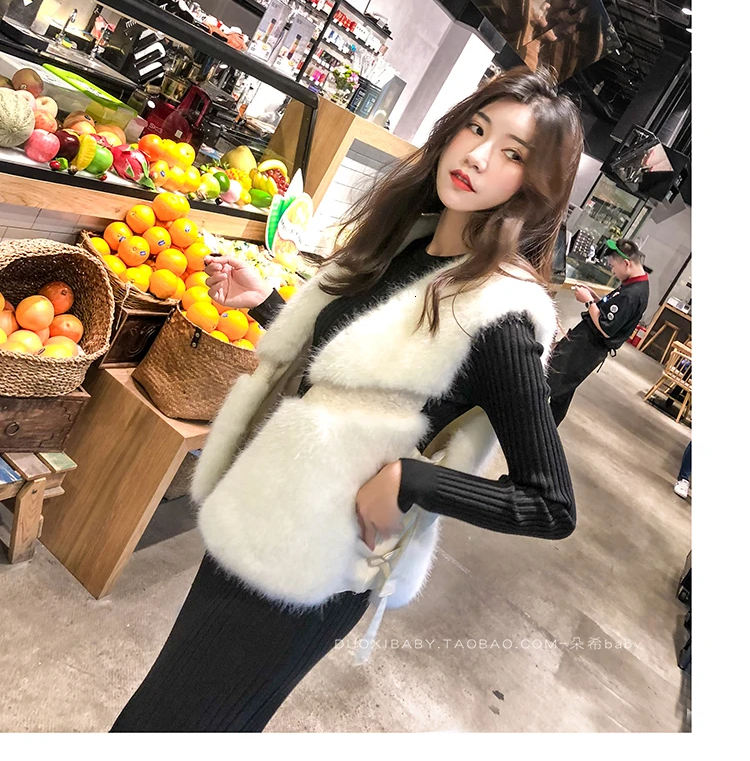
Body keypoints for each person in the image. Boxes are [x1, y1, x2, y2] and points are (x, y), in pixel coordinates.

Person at [111, 66, 584, 733]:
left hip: (318, 567)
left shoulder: (498, 314)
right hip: (260, 516)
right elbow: (348, 378)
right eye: (476, 129)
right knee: (175, 713)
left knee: (174, 723)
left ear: (535, 189)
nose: (479, 156)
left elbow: (551, 505)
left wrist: (413, 480)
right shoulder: (405, 244)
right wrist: (269, 304)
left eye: (512, 154)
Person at [547, 239, 650, 426]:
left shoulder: (633, 293)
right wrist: (597, 300)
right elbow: (614, 313)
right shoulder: (634, 284)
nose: (613, 272)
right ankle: (547, 430)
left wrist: (588, 302)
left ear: (626, 263)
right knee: (562, 391)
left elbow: (607, 328)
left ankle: (538, 429)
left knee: (551, 384)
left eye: (613, 267)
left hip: (587, 347)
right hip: (585, 342)